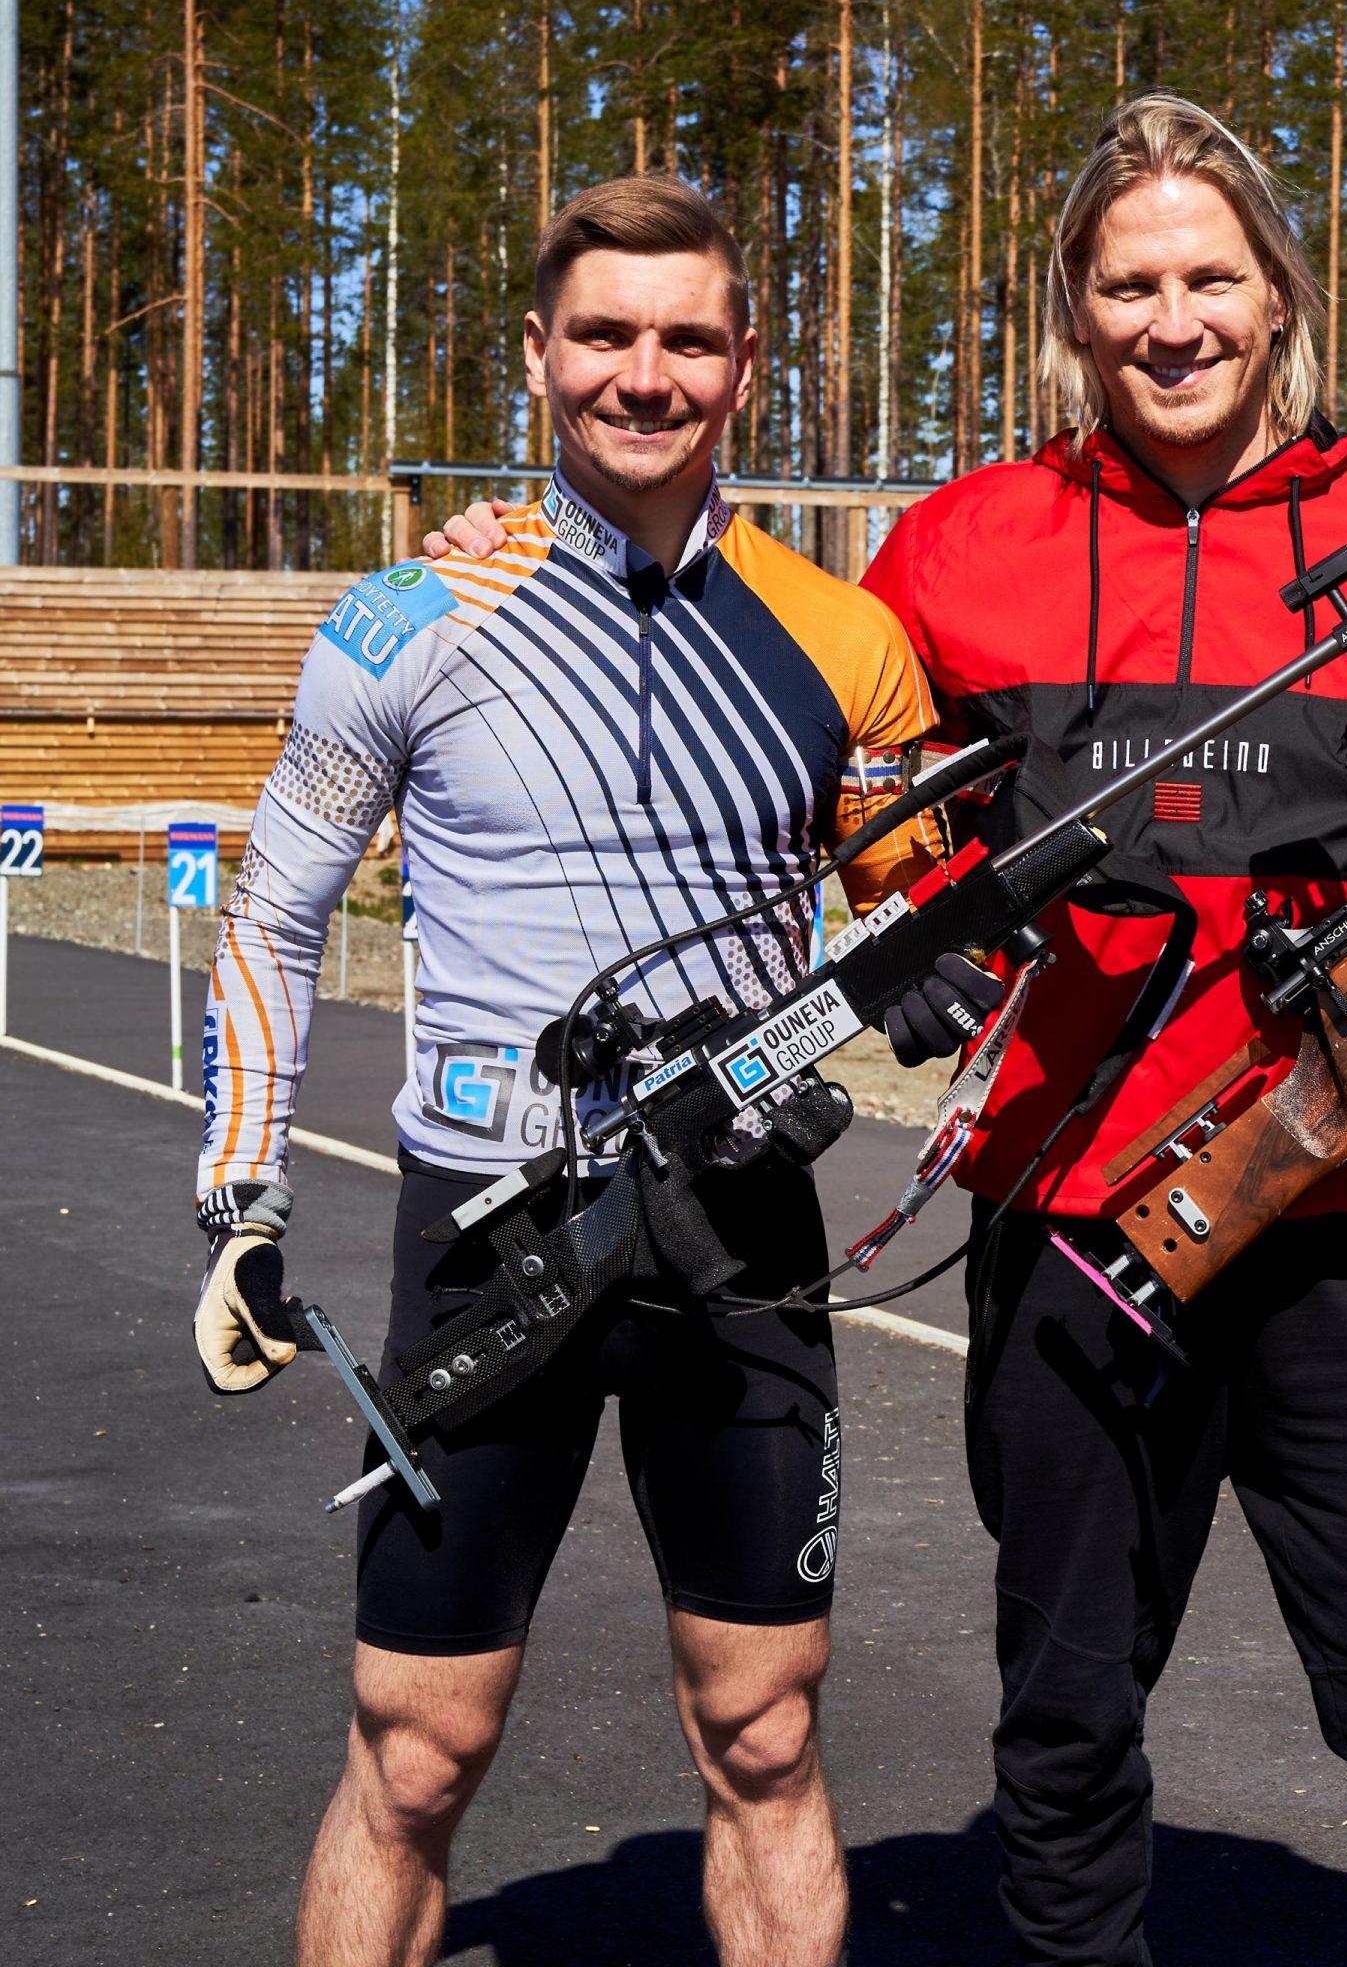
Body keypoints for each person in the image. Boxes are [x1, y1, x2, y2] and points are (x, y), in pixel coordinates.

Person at [864, 95, 1347, 1965]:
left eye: (1211, 276)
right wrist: (907, 931)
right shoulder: (960, 551)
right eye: (1130, 282)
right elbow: (868, 807)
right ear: (1075, 308)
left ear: (1279, 294)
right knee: (1065, 1731)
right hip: (1073, 1229)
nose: (1174, 319)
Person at [192, 174, 940, 1967]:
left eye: (688, 337)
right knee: (418, 1744)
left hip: (738, 1223)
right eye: (604, 334)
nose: (644, 374)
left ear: (744, 365)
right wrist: (242, 1193)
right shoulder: (408, 616)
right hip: (486, 1218)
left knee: (764, 1728)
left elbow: (926, 912)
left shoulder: (844, 640)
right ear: (538, 355)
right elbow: (270, 905)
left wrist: (945, 974)